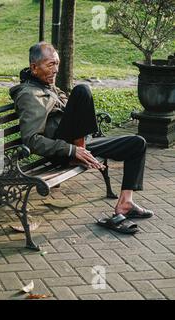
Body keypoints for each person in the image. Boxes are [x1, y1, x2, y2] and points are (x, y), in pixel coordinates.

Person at [9, 42, 153, 234]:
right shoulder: (29, 94)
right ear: (34, 67)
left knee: (137, 144)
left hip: (77, 144)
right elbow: (31, 140)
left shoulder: (46, 86)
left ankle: (125, 203)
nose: (56, 70)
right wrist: (72, 150)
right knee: (82, 90)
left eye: (57, 64)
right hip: (63, 151)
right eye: (50, 64)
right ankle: (80, 152)